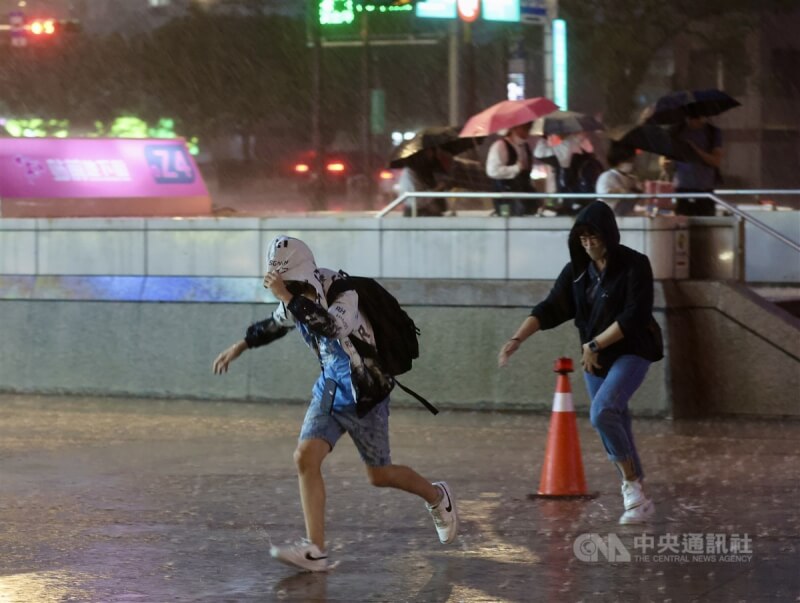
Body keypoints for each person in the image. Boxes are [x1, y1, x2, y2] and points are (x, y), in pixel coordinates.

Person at [212, 236, 458, 572]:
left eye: (295, 283)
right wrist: (241, 345)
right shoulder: (295, 298)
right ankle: (316, 549)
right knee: (305, 457)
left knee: (380, 475)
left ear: (307, 274)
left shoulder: (343, 291)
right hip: (329, 388)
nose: (292, 290)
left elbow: (332, 326)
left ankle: (436, 496)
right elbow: (277, 322)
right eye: (287, 285)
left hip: (366, 392)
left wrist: (286, 295)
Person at [497, 201, 663, 524]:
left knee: (602, 412)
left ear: (609, 235)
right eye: (582, 237)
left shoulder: (634, 265)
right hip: (596, 358)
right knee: (617, 419)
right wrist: (517, 339)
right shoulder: (577, 272)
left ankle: (631, 488)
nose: (588, 243)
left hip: (632, 350)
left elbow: (634, 316)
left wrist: (596, 343)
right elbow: (550, 308)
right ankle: (640, 492)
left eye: (593, 236)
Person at [669, 110, 723, 216]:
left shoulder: (712, 132)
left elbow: (716, 161)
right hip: (682, 189)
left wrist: (695, 150)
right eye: (690, 118)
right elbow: (666, 157)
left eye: (696, 118)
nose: (693, 122)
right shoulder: (677, 131)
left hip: (704, 190)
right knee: (682, 226)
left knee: (705, 225)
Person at [534, 133, 603, 215]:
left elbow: (540, 153)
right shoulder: (561, 165)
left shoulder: (582, 161)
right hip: (571, 206)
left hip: (582, 209)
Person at [485, 122, 538, 217]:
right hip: (507, 196)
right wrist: (515, 169)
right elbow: (492, 171)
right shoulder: (500, 146)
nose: (528, 130)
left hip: (524, 195)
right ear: (515, 127)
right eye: (525, 127)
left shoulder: (525, 146)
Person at [395, 148, 452, 217]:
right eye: (428, 153)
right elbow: (416, 201)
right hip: (416, 216)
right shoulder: (410, 172)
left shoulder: (428, 171)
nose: (432, 156)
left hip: (431, 215)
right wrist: (437, 189)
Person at [595, 141, 642, 216]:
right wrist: (620, 191)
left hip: (626, 217)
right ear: (619, 161)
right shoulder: (607, 177)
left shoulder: (632, 179)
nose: (632, 164)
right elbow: (604, 195)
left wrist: (638, 190)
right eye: (629, 161)